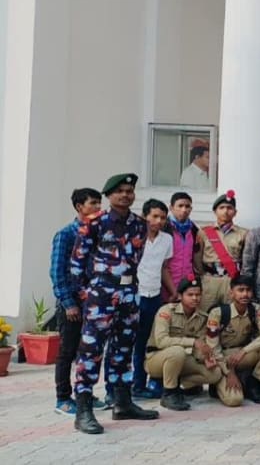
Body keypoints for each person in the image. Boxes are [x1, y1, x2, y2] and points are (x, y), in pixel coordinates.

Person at [69, 173, 160, 435]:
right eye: (119, 191)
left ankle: (122, 402)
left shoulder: (140, 224)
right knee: (91, 350)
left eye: (129, 191)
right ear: (109, 195)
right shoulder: (95, 223)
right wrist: (86, 294)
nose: (125, 195)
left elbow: (136, 257)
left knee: (123, 348)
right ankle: (84, 409)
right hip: (101, 294)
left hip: (129, 292)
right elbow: (77, 263)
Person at [51, 187, 102, 414]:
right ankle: (63, 398)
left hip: (93, 301)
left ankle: (85, 394)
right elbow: (57, 272)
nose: (98, 207)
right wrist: (68, 303)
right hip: (72, 302)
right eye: (93, 203)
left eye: (99, 203)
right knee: (67, 351)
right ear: (79, 207)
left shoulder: (97, 233)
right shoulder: (66, 234)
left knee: (89, 350)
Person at [145, 275, 222, 411]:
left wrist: (205, 358)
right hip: (156, 358)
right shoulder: (166, 311)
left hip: (182, 359)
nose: (195, 298)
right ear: (180, 296)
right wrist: (192, 342)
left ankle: (180, 384)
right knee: (177, 352)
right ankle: (169, 394)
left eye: (198, 294)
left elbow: (200, 346)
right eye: (190, 295)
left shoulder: (202, 317)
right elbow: (162, 341)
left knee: (215, 373)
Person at [206, 274, 260, 406]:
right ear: (231, 293)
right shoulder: (218, 313)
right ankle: (219, 383)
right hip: (223, 358)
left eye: (248, 290)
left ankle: (252, 382)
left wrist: (244, 351)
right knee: (234, 400)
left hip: (242, 355)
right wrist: (229, 373)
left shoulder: (255, 309)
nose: (245, 294)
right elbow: (213, 347)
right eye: (240, 290)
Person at [132, 199, 172, 400]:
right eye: (155, 216)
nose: (159, 221)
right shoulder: (134, 236)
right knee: (134, 342)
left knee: (151, 340)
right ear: (145, 216)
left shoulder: (167, 239)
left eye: (163, 217)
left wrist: (173, 291)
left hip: (155, 295)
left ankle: (150, 382)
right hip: (135, 294)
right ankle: (134, 384)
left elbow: (164, 267)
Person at [195, 190, 248, 314]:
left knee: (231, 314)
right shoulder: (204, 232)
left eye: (229, 208)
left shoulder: (244, 233)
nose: (225, 211)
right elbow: (197, 256)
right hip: (209, 280)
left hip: (232, 280)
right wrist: (203, 275)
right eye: (221, 207)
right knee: (204, 313)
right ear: (215, 211)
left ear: (235, 212)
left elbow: (246, 259)